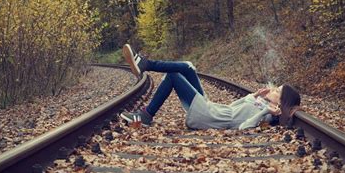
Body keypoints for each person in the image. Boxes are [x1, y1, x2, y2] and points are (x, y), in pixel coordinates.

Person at [120, 44, 301, 129]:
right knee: (188, 66)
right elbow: (232, 109)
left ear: (281, 102)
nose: (273, 90)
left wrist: (264, 111)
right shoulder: (261, 103)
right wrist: (252, 96)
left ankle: (145, 115)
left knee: (174, 76)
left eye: (278, 91)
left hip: (208, 115)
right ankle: (146, 64)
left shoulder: (267, 117)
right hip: (213, 108)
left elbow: (243, 128)